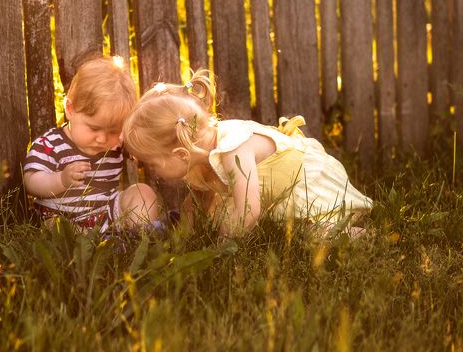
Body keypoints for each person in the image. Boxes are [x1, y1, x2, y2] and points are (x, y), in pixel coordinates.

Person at [122, 71, 373, 236]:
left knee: (312, 235)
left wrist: (224, 244)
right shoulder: (199, 157)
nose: (152, 172)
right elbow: (194, 206)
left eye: (152, 164)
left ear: (180, 154)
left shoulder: (233, 150)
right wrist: (182, 238)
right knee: (265, 226)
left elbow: (249, 209)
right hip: (276, 192)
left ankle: (357, 235)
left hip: (304, 183)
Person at [22, 55, 162, 233]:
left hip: (107, 214)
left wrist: (131, 138)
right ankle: (92, 240)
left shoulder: (116, 144)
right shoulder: (51, 145)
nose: (102, 139)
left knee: (143, 193)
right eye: (94, 128)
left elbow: (145, 151)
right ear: (70, 110)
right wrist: (60, 179)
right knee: (54, 225)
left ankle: (142, 234)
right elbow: (31, 181)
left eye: (113, 131)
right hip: (63, 218)